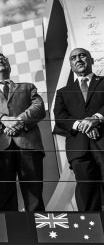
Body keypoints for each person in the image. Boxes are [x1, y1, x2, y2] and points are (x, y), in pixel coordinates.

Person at [0, 53, 46, 211]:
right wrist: (2, 119)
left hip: (28, 145)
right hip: (0, 147)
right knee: (5, 197)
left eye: (3, 60)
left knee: (34, 195)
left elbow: (39, 108)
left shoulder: (28, 87)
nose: (0, 62)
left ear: (9, 66)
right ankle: (10, 233)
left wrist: (19, 120)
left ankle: (37, 233)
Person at [53, 47, 104, 211]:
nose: (78, 59)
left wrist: (96, 119)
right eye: (74, 58)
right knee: (87, 194)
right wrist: (81, 124)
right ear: (71, 64)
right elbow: (60, 118)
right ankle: (92, 231)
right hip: (79, 149)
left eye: (83, 56)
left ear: (92, 60)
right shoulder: (63, 92)